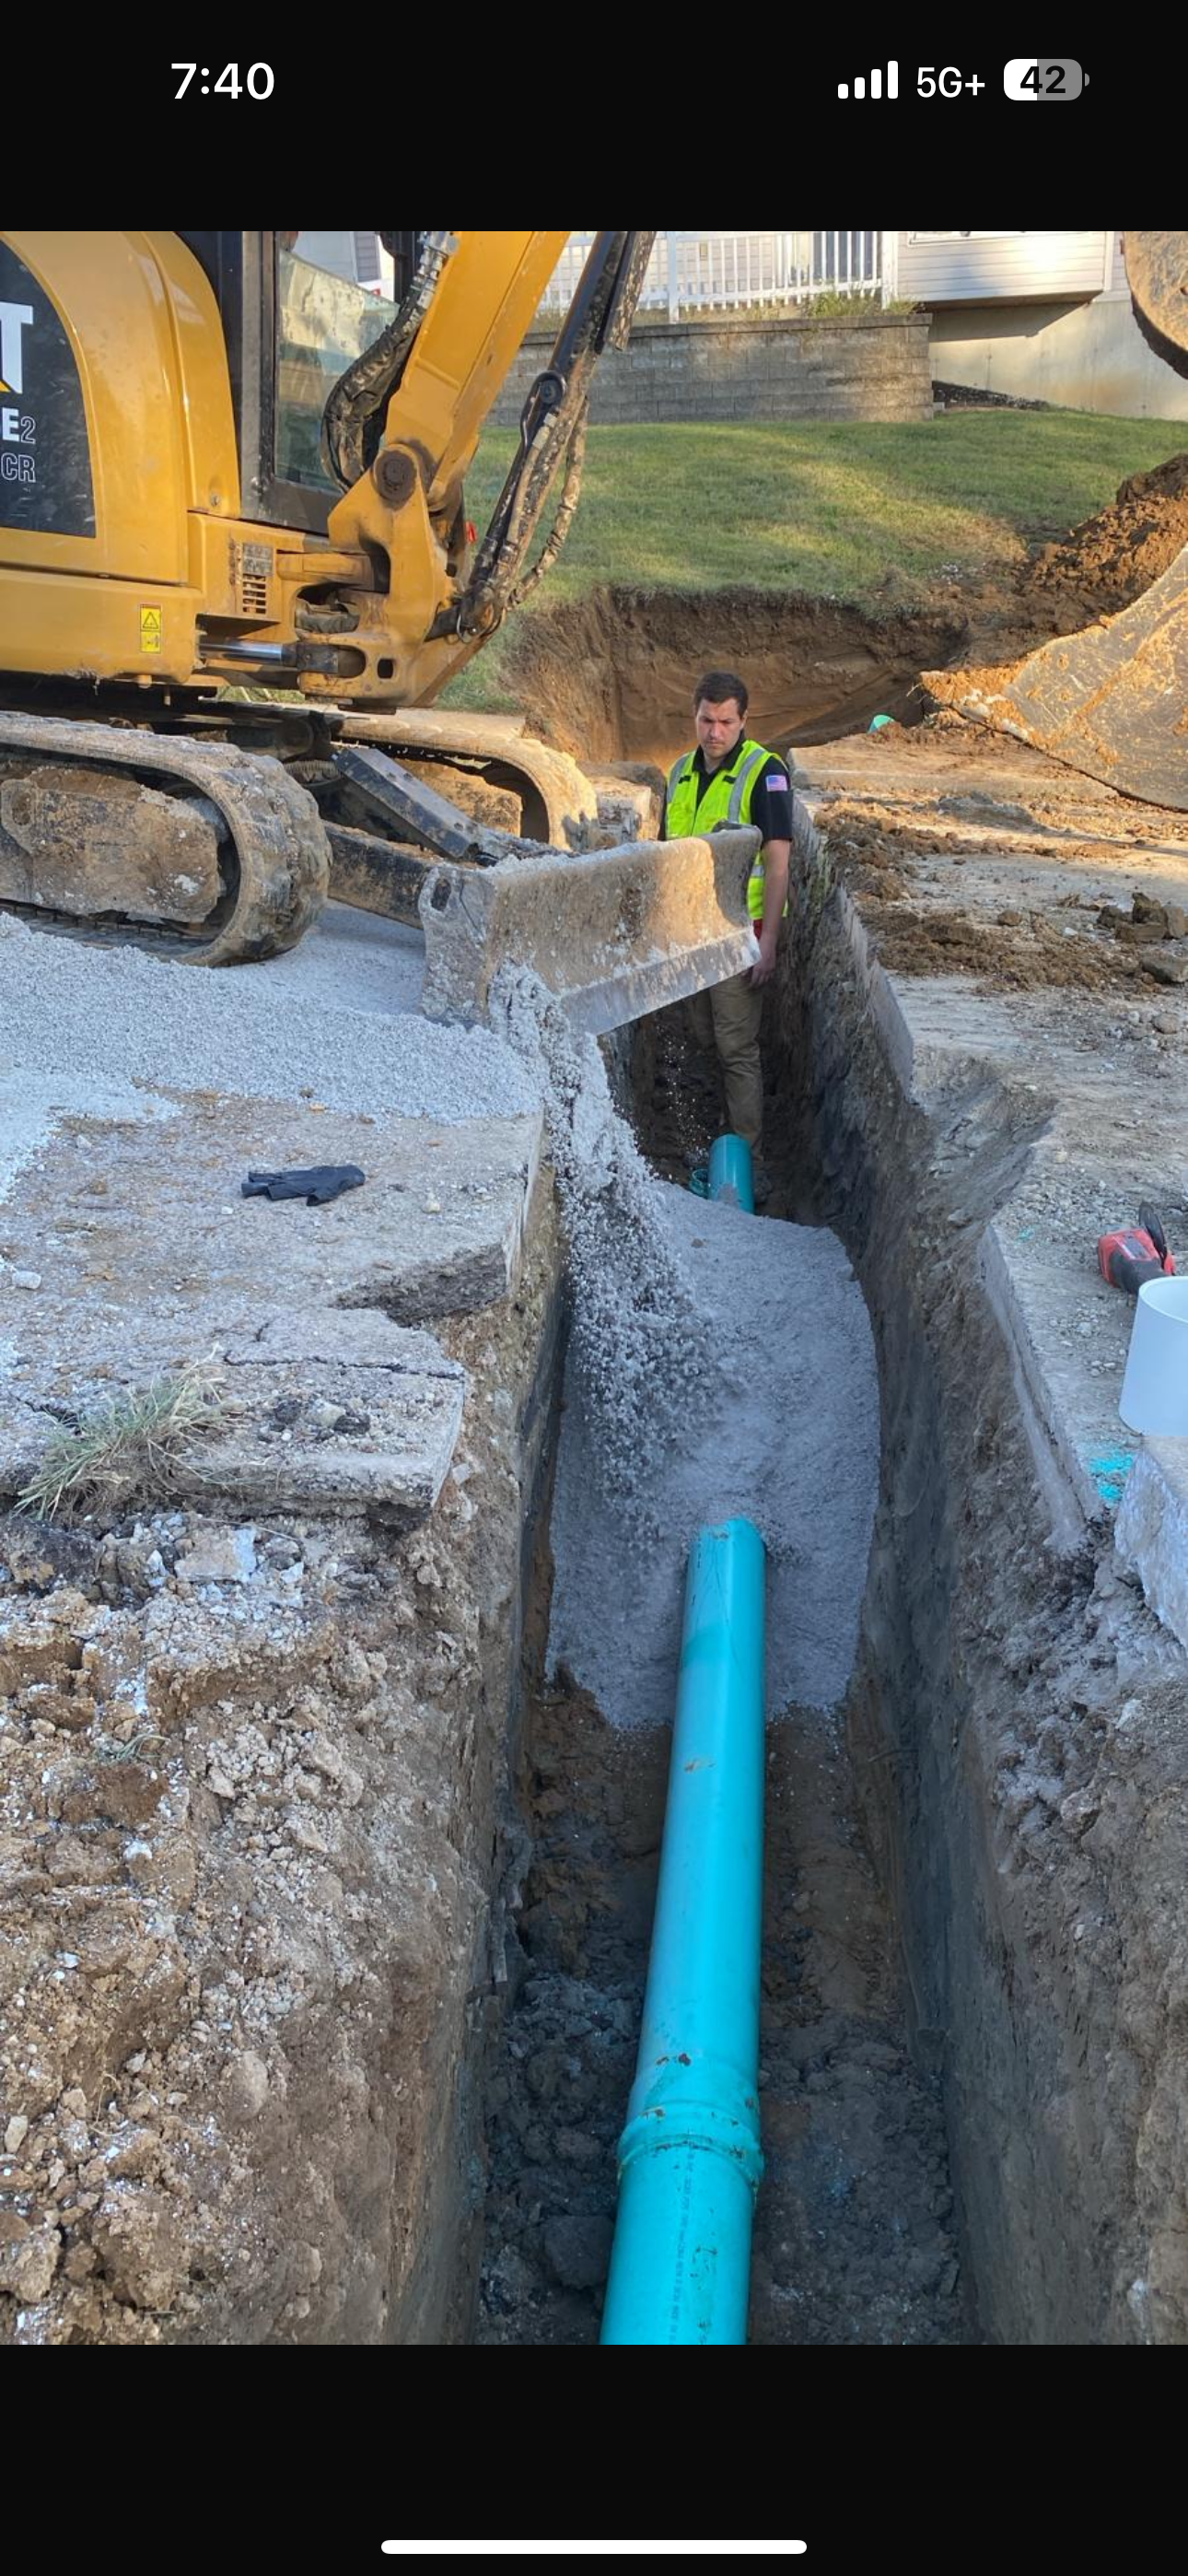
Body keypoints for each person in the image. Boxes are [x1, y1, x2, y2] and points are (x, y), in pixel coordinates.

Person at [660, 671, 793, 1201]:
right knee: (701, 1039)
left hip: (740, 932)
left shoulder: (766, 774)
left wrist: (770, 941)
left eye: (726, 722)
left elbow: (778, 866)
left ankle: (748, 1163)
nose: (715, 732)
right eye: (707, 720)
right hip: (689, 937)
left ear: (743, 721)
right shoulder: (679, 773)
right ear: (694, 716)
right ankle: (711, 1144)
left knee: (737, 1047)